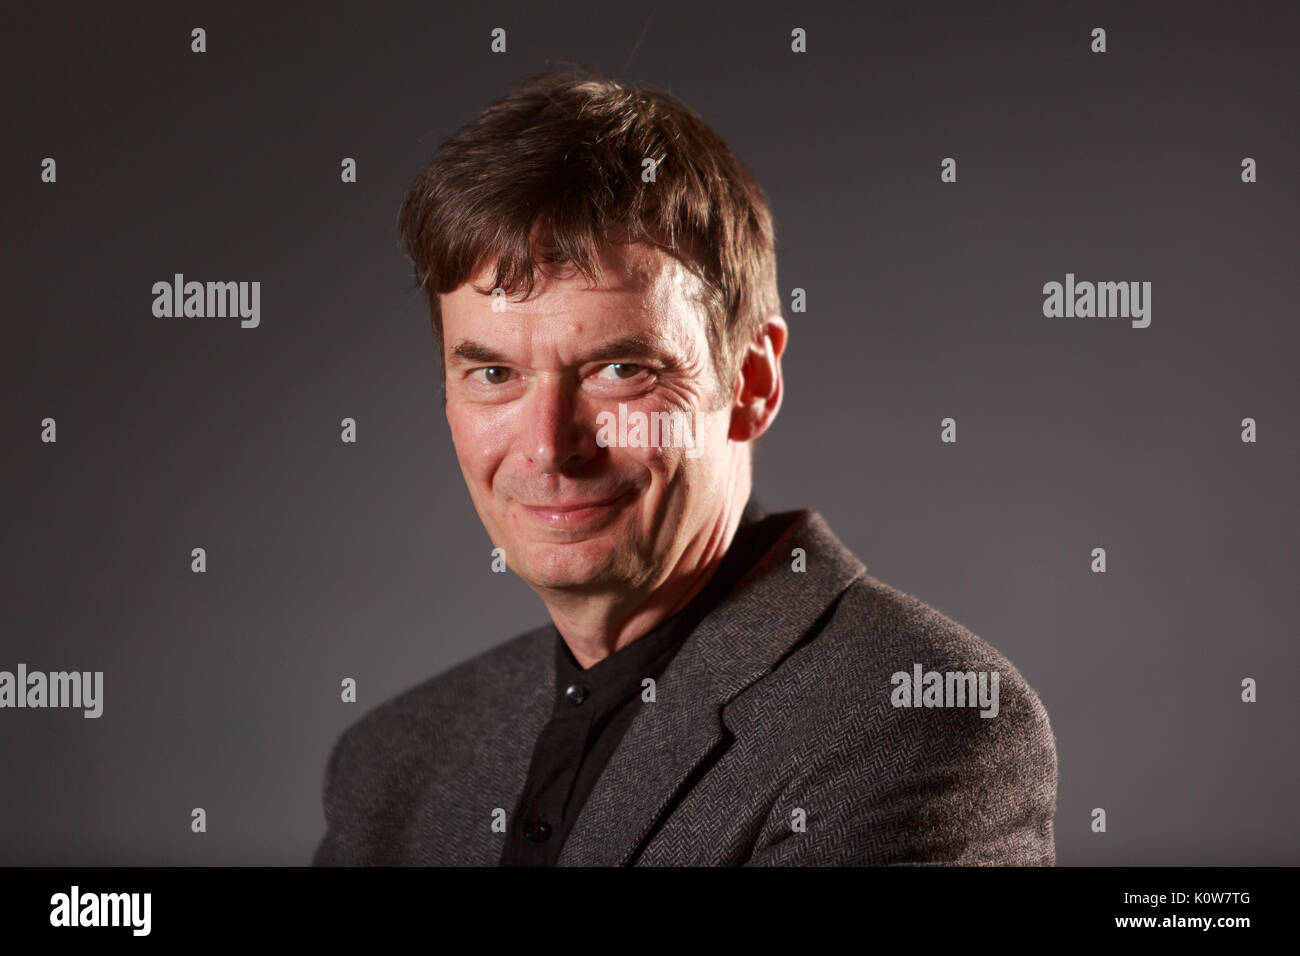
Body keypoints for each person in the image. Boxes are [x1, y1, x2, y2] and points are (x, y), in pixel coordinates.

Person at [311, 66, 1057, 866]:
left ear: (752, 382)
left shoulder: (915, 719)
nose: (549, 444)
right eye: (495, 374)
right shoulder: (393, 766)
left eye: (619, 369)